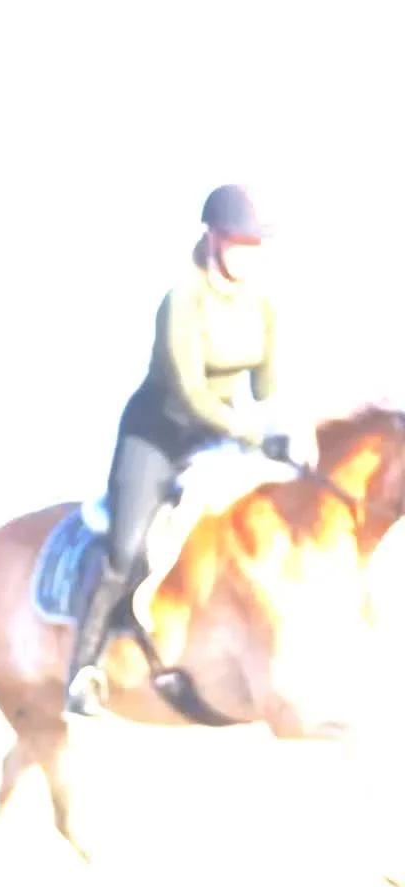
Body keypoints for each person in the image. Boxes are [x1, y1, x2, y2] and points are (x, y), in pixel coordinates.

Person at [63, 183, 310, 719]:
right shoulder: (182, 300)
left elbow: (268, 390)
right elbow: (191, 393)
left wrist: (289, 429)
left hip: (218, 437)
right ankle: (84, 671)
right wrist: (252, 434)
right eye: (240, 241)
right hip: (156, 435)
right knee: (126, 547)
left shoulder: (264, 305)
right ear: (213, 238)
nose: (250, 252)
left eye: (255, 243)